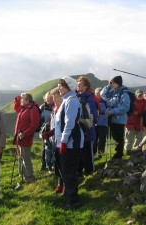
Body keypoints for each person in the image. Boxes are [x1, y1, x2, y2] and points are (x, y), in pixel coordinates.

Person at [55, 76, 84, 210]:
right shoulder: (67, 100)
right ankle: (68, 194)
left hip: (71, 143)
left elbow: (69, 123)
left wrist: (64, 142)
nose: (59, 88)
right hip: (66, 142)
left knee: (69, 172)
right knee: (65, 170)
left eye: (61, 85)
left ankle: (73, 201)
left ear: (68, 87)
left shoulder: (71, 101)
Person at [100, 75, 130, 159]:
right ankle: (118, 154)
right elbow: (103, 94)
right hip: (112, 118)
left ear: (118, 83)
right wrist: (108, 86)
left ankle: (118, 154)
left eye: (113, 83)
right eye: (111, 82)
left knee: (118, 137)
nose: (112, 84)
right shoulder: (113, 92)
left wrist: (112, 111)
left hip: (119, 119)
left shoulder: (124, 94)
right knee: (115, 136)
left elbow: (125, 107)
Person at [14, 92, 40, 184]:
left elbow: (34, 125)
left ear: (27, 100)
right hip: (20, 137)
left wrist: (24, 134)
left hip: (25, 137)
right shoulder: (25, 108)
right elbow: (16, 108)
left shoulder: (32, 109)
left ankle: (29, 177)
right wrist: (17, 101)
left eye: (22, 99)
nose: (21, 100)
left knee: (25, 157)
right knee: (21, 156)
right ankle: (22, 174)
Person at [42, 88, 64, 193]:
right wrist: (49, 132)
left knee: (64, 165)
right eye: (53, 97)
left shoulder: (63, 109)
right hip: (55, 140)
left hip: (63, 141)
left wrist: (52, 132)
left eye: (56, 97)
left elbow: (63, 126)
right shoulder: (55, 109)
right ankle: (60, 184)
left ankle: (66, 186)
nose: (54, 99)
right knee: (58, 164)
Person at [76, 76, 98, 176]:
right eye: (77, 84)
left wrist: (89, 125)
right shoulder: (75, 96)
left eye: (80, 84)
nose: (77, 86)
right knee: (79, 152)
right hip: (78, 130)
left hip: (87, 130)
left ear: (85, 87)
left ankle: (90, 172)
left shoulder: (89, 97)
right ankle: (79, 171)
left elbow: (93, 113)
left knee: (88, 152)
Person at [124, 89, 146, 154]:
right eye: (139, 95)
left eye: (141, 95)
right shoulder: (132, 102)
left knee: (140, 137)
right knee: (129, 138)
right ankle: (127, 151)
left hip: (139, 122)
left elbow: (145, 111)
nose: (140, 96)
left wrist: (143, 114)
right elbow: (130, 111)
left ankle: (135, 149)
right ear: (136, 95)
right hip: (131, 122)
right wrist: (137, 113)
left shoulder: (144, 102)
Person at [39, 91, 55, 173]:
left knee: (52, 147)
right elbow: (38, 119)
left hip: (53, 129)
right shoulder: (42, 107)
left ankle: (52, 164)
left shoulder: (56, 106)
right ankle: (43, 164)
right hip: (44, 130)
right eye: (47, 98)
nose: (49, 100)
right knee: (45, 147)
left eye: (50, 98)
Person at [93, 87, 108, 158]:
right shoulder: (92, 101)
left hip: (103, 124)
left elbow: (108, 111)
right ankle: (93, 153)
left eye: (99, 94)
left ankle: (100, 154)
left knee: (102, 139)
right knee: (94, 140)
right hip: (94, 124)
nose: (97, 95)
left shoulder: (105, 102)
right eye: (96, 93)